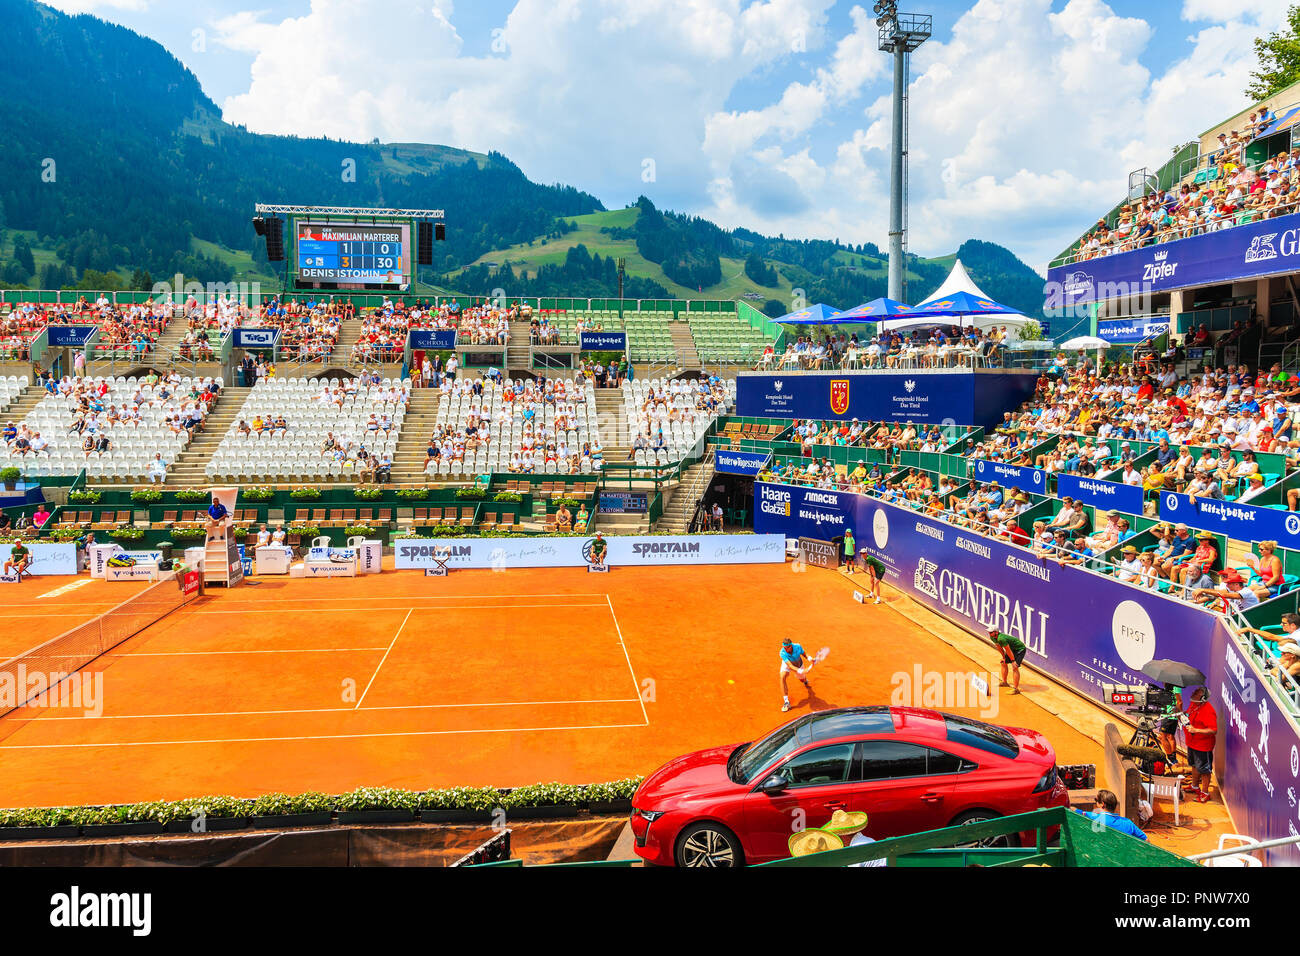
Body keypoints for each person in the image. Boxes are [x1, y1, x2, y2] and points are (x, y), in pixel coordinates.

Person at [1183, 687, 1218, 803]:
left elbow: (1213, 730)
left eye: (1196, 693)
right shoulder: (1193, 704)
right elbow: (1188, 716)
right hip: (1192, 743)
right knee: (1193, 765)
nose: (1192, 693)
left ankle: (1205, 793)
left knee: (1204, 770)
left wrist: (1196, 730)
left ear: (1202, 698)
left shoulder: (1208, 710)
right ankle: (1194, 786)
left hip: (1203, 746)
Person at [1075, 790, 1148, 841]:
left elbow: (1074, 811)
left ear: (1102, 804)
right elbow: (1146, 840)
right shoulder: (1128, 823)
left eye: (1096, 800)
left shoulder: (1094, 818)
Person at [779, 637, 814, 713]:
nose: (784, 649)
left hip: (798, 664)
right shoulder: (782, 652)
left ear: (790, 646)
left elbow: (804, 654)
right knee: (782, 677)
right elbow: (790, 666)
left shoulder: (797, 646)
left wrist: (810, 658)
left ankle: (805, 680)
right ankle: (786, 702)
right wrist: (802, 671)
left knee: (802, 680)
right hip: (787, 665)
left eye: (786, 648)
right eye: (783, 647)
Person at [989, 628, 1025, 695]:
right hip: (1012, 649)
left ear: (996, 632)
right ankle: (1004, 682)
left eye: (991, 632)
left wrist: (1013, 661)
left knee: (1015, 667)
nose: (989, 633)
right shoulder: (992, 637)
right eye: (989, 632)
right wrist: (1003, 657)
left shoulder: (1001, 638)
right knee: (1003, 662)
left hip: (1019, 649)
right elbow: (999, 647)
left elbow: (1008, 650)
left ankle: (1016, 689)